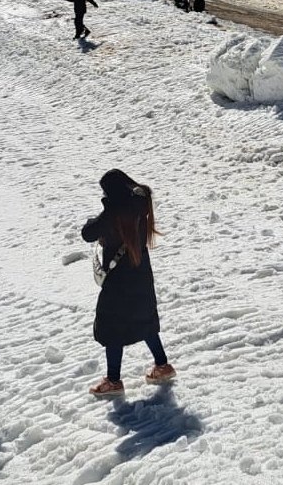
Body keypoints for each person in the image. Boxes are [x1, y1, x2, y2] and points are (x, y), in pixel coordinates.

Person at [82, 169, 175, 396]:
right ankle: (162, 365)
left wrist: (104, 210)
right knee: (144, 319)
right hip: (141, 275)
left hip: (118, 282)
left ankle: (113, 381)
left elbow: (88, 233)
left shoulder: (112, 213)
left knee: (112, 327)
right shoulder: (141, 206)